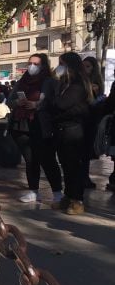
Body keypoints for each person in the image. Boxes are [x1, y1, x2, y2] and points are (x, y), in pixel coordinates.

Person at [8, 53, 62, 203]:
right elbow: (10, 100)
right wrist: (17, 103)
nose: (32, 66)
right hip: (21, 124)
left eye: (36, 64)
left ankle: (57, 192)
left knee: (47, 159)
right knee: (30, 160)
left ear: (43, 65)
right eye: (30, 63)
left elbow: (56, 102)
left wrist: (37, 105)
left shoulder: (50, 82)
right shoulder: (22, 81)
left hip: (41, 125)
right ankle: (33, 191)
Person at [51, 52, 92, 214]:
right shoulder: (66, 83)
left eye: (62, 64)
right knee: (66, 166)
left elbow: (61, 104)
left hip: (73, 131)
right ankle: (68, 197)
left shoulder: (77, 85)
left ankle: (77, 200)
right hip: (63, 129)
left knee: (74, 167)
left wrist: (52, 101)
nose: (59, 67)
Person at [81, 56, 105, 189]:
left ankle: (84, 177)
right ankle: (82, 177)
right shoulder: (80, 81)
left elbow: (97, 104)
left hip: (90, 122)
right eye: (83, 66)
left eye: (88, 66)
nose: (85, 69)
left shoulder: (96, 83)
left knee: (86, 152)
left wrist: (96, 95)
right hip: (81, 121)